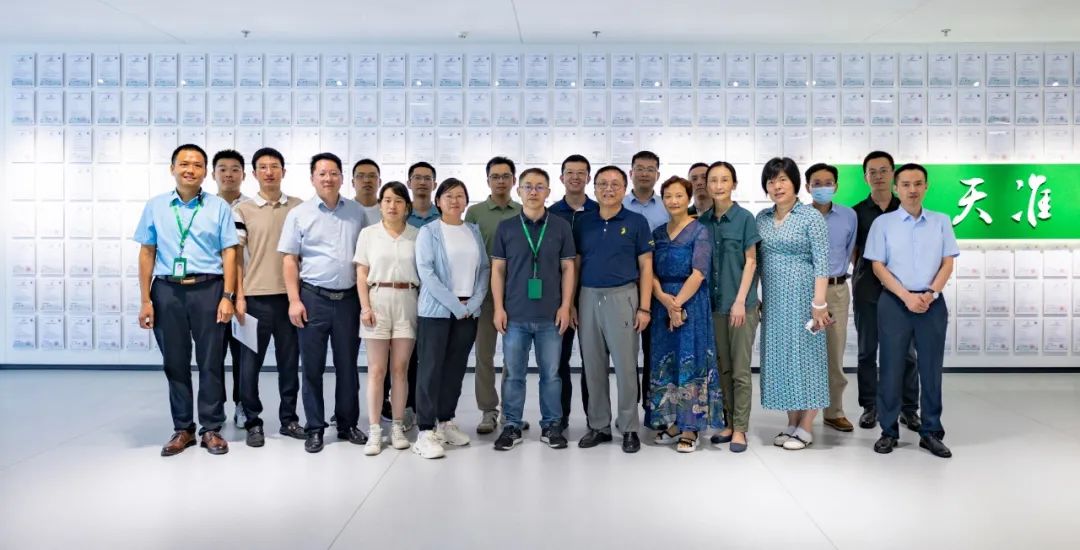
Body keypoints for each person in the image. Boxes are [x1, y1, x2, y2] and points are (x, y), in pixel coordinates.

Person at [134, 143, 239, 456]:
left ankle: (211, 428)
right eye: (184, 164)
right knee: (175, 362)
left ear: (205, 172)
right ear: (172, 169)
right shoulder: (156, 206)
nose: (190, 170)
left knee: (211, 361)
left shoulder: (218, 207)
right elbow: (147, 252)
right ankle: (183, 428)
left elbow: (230, 252)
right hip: (167, 291)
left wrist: (228, 295)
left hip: (209, 289)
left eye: (197, 165)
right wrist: (145, 299)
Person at [865, 163, 958, 459]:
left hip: (932, 303)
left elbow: (948, 263)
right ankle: (888, 431)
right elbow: (877, 266)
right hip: (895, 302)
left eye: (918, 183)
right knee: (891, 367)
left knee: (931, 369)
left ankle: (931, 432)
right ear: (896, 188)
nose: (912, 190)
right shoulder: (883, 223)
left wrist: (930, 294)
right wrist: (906, 296)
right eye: (905, 184)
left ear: (926, 186)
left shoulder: (941, 221)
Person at [278, 152, 370, 453]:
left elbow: (365, 257)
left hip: (348, 301)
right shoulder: (299, 214)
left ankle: (347, 424)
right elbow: (289, 260)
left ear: (342, 178)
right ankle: (315, 428)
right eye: (322, 173)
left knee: (348, 367)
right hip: (312, 298)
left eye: (333, 173)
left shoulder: (357, 212)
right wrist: (294, 300)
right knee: (312, 368)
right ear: (312, 178)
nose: (328, 178)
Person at [490, 168, 575, 451]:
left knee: (551, 375)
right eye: (528, 186)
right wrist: (499, 308)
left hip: (551, 316)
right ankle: (511, 425)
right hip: (515, 315)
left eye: (540, 186)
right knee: (514, 374)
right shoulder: (507, 227)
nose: (534, 191)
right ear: (519, 191)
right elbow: (498, 270)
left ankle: (551, 425)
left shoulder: (561, 226)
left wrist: (566, 306)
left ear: (548, 192)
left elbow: (568, 268)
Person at [576, 165, 654, 454]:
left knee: (625, 367)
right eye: (602, 184)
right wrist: (571, 304)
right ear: (594, 187)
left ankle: (629, 427)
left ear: (624, 188)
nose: (608, 189)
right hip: (587, 296)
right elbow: (575, 264)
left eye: (615, 184)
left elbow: (646, 266)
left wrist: (644, 308)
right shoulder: (583, 222)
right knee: (593, 366)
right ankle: (599, 425)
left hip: (624, 296)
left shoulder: (636, 222)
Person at [755, 157, 831, 451]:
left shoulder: (811, 217)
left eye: (783, 180)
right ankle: (791, 422)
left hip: (805, 301)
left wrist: (819, 303)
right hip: (774, 302)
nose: (777, 186)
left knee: (808, 359)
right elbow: (755, 261)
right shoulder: (762, 218)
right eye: (771, 181)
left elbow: (822, 262)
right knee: (781, 359)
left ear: (795, 183)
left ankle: (807, 426)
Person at [232, 147, 305, 447]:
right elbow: (236, 257)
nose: (269, 172)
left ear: (284, 171)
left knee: (289, 364)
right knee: (249, 366)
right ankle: (253, 421)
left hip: (290, 298)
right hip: (255, 298)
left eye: (275, 166)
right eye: (263, 167)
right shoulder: (243, 210)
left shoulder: (299, 207)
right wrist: (238, 296)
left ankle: (289, 419)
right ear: (254, 173)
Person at [412, 178, 490, 459]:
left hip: (469, 312)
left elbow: (484, 268)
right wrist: (456, 305)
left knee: (455, 370)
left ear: (466, 201)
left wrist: (475, 302)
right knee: (430, 369)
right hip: (437, 312)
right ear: (438, 201)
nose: (455, 200)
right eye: (448, 196)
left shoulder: (473, 230)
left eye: (460, 195)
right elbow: (427, 272)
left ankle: (445, 421)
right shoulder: (429, 232)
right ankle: (425, 431)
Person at [646, 176, 721, 453]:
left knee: (690, 360)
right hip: (662, 302)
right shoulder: (657, 233)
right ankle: (674, 422)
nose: (673, 201)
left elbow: (699, 273)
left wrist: (676, 305)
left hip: (691, 302)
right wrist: (664, 300)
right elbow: (650, 272)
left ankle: (691, 427)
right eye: (668, 196)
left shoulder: (700, 230)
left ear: (688, 198)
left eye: (679, 195)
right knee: (667, 361)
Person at [852, 151, 920, 431]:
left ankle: (909, 408)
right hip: (867, 289)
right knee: (867, 351)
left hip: (902, 291)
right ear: (865, 177)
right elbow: (854, 252)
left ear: (893, 174)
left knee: (907, 352)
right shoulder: (856, 213)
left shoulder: (906, 209)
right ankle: (870, 406)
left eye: (884, 170)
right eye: (873, 171)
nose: (878, 176)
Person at [698, 162, 761, 453]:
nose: (719, 185)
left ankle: (741, 429)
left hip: (741, 306)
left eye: (725, 180)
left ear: (734, 184)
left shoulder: (745, 218)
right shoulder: (703, 221)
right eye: (713, 180)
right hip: (714, 306)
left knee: (740, 370)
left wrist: (739, 301)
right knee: (722, 368)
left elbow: (751, 261)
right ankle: (728, 422)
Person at [355, 182, 419, 456]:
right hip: (377, 299)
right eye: (388, 200)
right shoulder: (368, 234)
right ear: (380, 205)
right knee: (377, 370)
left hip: (407, 299)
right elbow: (361, 274)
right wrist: (365, 307)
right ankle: (374, 430)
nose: (392, 206)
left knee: (400, 369)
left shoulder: (417, 235)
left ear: (407, 207)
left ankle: (397, 426)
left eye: (399, 201)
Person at [465, 156, 523, 434]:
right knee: (484, 355)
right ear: (487, 180)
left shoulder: (523, 210)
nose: (500, 181)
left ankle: (511, 411)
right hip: (484, 294)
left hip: (517, 294)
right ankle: (488, 411)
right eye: (495, 176)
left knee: (514, 356)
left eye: (505, 176)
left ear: (514, 179)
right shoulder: (475, 213)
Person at [807, 163, 858, 433]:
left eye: (828, 183)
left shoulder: (849, 216)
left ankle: (834, 411)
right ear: (807, 187)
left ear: (836, 186)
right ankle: (802, 412)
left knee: (834, 352)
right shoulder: (799, 216)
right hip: (804, 291)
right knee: (805, 352)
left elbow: (850, 251)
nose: (822, 188)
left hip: (836, 290)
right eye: (816, 183)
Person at [548, 154, 598, 429]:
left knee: (592, 361)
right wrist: (567, 302)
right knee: (559, 361)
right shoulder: (551, 213)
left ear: (588, 178)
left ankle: (595, 419)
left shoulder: (600, 211)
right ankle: (560, 417)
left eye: (581, 173)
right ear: (562, 177)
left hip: (593, 295)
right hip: (560, 299)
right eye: (570, 172)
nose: (575, 177)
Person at [623, 150, 669, 406]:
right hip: (625, 286)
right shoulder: (619, 204)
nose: (644, 174)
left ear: (657, 175)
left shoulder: (667, 207)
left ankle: (653, 408)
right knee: (626, 354)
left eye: (650, 169)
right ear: (631, 173)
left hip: (659, 288)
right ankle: (629, 408)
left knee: (655, 351)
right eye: (639, 168)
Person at [212, 149, 250, 428]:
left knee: (243, 354)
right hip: (213, 288)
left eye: (235, 169)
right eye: (222, 169)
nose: (228, 174)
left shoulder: (251, 207)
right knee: (213, 353)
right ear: (213, 174)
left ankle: (242, 404)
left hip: (246, 290)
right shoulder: (205, 207)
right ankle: (214, 408)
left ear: (243, 175)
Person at [406, 162, 440, 228]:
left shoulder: (443, 215)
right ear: (409, 184)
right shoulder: (401, 214)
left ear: (435, 185)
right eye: (417, 177)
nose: (422, 182)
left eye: (427, 178)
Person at [352, 158, 383, 223]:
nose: (367, 180)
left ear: (379, 182)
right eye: (360, 176)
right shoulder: (344, 210)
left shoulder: (388, 210)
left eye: (372, 176)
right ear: (353, 183)